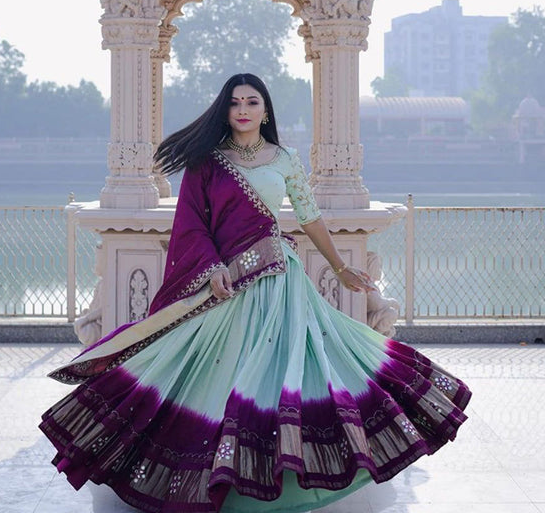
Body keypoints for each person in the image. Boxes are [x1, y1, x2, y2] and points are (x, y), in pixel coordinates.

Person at [40, 73, 471, 512]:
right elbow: (192, 223)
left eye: (252, 101)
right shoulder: (206, 161)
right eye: (234, 102)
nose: (243, 109)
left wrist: (341, 269)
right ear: (224, 110)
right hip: (227, 285)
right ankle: (216, 471)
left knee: (293, 372)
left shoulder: (283, 159)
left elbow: (310, 216)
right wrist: (211, 269)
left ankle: (283, 476)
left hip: (281, 282)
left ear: (266, 111)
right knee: (212, 373)